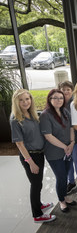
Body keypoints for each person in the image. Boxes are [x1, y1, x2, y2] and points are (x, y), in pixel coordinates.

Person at [10, 89, 56, 223]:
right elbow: (19, 144)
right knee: (35, 184)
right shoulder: (16, 120)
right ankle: (37, 214)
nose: (25, 102)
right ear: (16, 102)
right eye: (21, 100)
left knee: (38, 183)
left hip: (39, 154)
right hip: (30, 156)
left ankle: (39, 204)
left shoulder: (33, 114)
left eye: (27, 99)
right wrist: (30, 162)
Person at [40, 89, 77, 213]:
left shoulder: (65, 111)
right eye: (55, 98)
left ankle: (65, 196)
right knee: (60, 177)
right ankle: (61, 200)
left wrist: (72, 143)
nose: (58, 100)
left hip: (68, 150)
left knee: (65, 175)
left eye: (61, 98)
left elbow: (71, 127)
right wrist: (64, 146)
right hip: (54, 152)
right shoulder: (45, 115)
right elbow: (48, 136)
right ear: (50, 100)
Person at [59, 81, 77, 195]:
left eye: (68, 89)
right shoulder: (57, 103)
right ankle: (71, 182)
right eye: (63, 89)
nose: (65, 92)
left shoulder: (76, 103)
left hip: (75, 138)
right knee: (68, 161)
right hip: (62, 140)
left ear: (72, 90)